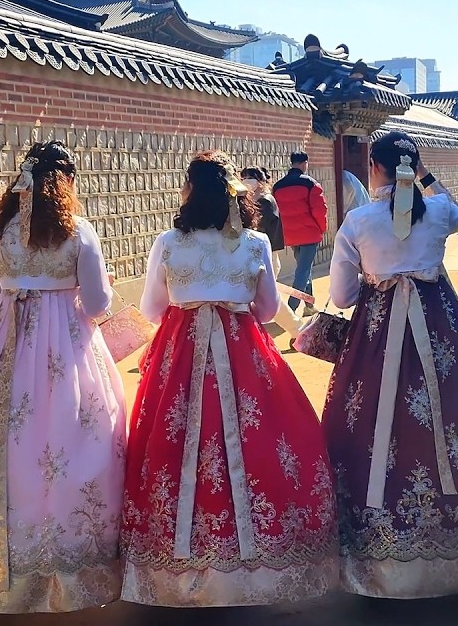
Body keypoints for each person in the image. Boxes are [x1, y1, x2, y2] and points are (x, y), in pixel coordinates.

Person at [323, 131, 458, 598]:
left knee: (370, 422)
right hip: (443, 326)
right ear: (413, 167)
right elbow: (456, 211)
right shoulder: (438, 211)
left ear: (374, 168)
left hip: (378, 334)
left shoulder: (357, 221)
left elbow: (341, 296)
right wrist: (423, 178)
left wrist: (377, 277)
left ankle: (377, 555)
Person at [122, 151, 337, 607]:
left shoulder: (168, 242)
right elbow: (265, 310)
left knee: (175, 448)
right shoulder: (256, 242)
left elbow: (151, 311)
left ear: (188, 191)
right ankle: (253, 566)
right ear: (233, 195)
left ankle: (177, 566)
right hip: (243, 352)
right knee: (255, 443)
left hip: (181, 351)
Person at [0, 142, 126, 613]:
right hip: (67, 345)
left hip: (4, 343)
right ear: (65, 182)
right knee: (70, 438)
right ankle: (64, 567)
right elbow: (96, 304)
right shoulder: (78, 232)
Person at [242, 166, 305, 341]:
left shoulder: (265, 201)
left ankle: (298, 330)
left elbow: (260, 228)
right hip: (260, 255)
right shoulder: (259, 200)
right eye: (244, 177)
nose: (246, 180)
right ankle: (298, 330)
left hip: (264, 256)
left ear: (260, 181)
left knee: (269, 299)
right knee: (268, 298)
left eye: (250, 177)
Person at [272, 151, 328, 312]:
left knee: (304, 269)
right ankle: (291, 308)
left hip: (290, 235)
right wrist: (321, 229)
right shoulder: (311, 184)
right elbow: (320, 211)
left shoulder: (278, 186)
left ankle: (309, 305)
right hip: (309, 234)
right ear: (305, 163)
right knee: (302, 271)